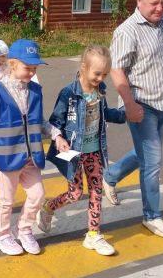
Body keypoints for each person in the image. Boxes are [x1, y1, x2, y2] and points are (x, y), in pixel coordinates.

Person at [103, 0, 163, 239]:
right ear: (139, 0)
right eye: (154, 3)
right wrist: (129, 104)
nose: (160, 8)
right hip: (141, 104)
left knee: (147, 155)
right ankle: (151, 216)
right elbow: (116, 70)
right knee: (153, 162)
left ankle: (110, 176)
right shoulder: (127, 31)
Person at [37, 45, 126, 255]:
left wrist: (126, 114)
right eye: (97, 73)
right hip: (72, 152)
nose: (100, 78)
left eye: (104, 74)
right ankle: (48, 207)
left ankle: (93, 235)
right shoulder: (68, 93)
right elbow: (55, 121)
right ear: (84, 67)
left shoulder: (100, 90)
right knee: (75, 194)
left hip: (94, 151)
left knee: (96, 191)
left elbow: (106, 114)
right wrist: (58, 138)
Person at [0, 39, 49, 256]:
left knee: (37, 195)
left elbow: (39, 121)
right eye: (28, 68)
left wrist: (56, 134)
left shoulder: (35, 90)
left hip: (30, 157)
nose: (31, 73)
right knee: (7, 200)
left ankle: (25, 229)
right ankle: (1, 235)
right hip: (6, 156)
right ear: (12, 64)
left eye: (34, 69)